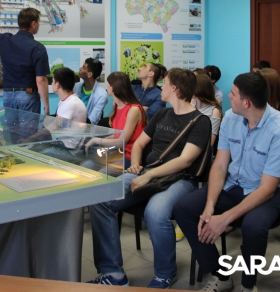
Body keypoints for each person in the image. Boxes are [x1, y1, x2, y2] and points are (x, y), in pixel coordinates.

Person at [88, 68, 211, 288]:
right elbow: (139, 144)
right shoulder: (163, 114)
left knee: (155, 213)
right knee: (99, 198)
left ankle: (165, 273)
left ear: (175, 89)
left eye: (165, 83)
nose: (161, 87)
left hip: (180, 180)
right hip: (148, 173)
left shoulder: (200, 121)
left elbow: (185, 161)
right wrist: (136, 165)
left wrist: (149, 174)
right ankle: (113, 273)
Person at [173, 72, 280, 292]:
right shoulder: (230, 117)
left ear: (246, 103)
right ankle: (221, 274)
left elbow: (267, 189)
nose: (228, 96)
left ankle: (248, 285)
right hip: (234, 184)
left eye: (233, 93)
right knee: (185, 208)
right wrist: (210, 206)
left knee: (253, 227)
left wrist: (224, 219)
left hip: (268, 191)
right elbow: (220, 164)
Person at [0, 0, 50, 115]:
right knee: (29, 128)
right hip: (28, 95)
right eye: (38, 22)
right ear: (33, 24)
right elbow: (41, 80)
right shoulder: (38, 48)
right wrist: (46, 105)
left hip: (8, 95)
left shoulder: (5, 40)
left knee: (11, 128)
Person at [86, 71, 147, 169]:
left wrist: (97, 140)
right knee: (87, 165)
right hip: (117, 152)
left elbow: (121, 141)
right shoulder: (116, 105)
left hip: (130, 156)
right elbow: (117, 135)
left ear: (113, 87)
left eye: (109, 84)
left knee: (103, 172)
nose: (107, 86)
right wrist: (100, 141)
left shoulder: (133, 110)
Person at [191, 74, 222, 147]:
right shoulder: (191, 104)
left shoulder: (214, 111)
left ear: (200, 89)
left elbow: (210, 142)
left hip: (201, 148)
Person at [74, 58, 108, 124]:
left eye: (83, 68)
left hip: (88, 127)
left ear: (89, 74)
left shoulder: (102, 95)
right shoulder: (75, 87)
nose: (80, 68)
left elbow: (92, 120)